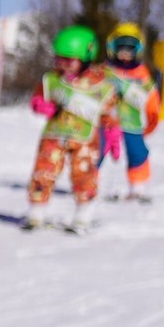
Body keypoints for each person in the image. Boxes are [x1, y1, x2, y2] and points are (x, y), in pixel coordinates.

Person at [27, 24, 123, 233]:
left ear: (85, 58)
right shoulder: (52, 80)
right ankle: (36, 211)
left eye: (69, 60)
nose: (63, 64)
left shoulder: (101, 86)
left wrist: (113, 136)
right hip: (54, 135)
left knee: (84, 175)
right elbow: (37, 98)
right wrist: (41, 105)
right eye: (60, 58)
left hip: (85, 140)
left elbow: (110, 114)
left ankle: (83, 214)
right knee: (43, 171)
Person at [100, 23, 162, 201]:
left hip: (132, 122)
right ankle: (89, 181)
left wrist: (152, 117)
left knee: (138, 152)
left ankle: (138, 186)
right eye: (121, 48)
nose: (125, 53)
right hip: (107, 121)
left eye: (130, 49)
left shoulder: (142, 74)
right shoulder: (105, 70)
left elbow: (152, 96)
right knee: (97, 149)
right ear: (113, 48)